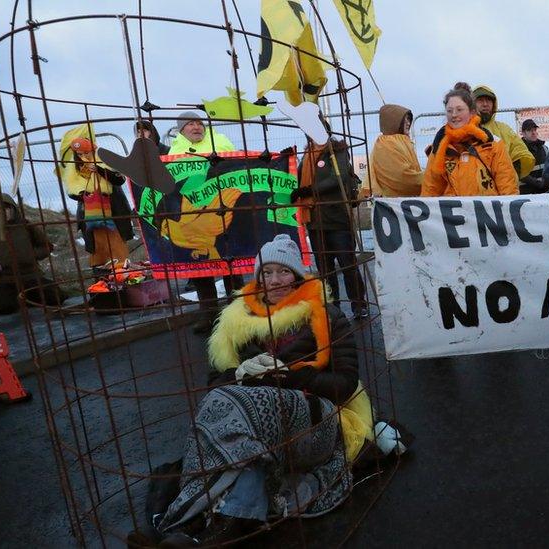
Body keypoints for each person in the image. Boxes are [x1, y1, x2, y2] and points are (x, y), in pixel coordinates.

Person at [157, 234, 361, 546]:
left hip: (317, 422)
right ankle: (220, 520)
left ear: (297, 275)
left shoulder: (326, 315)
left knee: (258, 404)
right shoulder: (236, 320)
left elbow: (345, 386)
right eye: (267, 272)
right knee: (224, 403)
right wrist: (238, 373)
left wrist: (289, 376)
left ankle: (209, 518)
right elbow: (215, 387)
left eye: (284, 271)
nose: (275, 281)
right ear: (258, 276)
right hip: (256, 427)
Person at [165, 111, 242, 333]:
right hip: (192, 215)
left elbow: (237, 165)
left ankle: (238, 312)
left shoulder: (221, 141)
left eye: (199, 123)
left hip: (223, 209)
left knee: (231, 264)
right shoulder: (174, 151)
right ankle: (208, 314)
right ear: (181, 129)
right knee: (200, 270)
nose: (197, 127)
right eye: (191, 124)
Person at [291, 126, 368, 319]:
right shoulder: (306, 155)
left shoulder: (337, 150)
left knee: (347, 264)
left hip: (337, 218)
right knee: (325, 269)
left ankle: (359, 304)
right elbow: (295, 179)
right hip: (315, 221)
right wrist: (287, 161)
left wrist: (310, 190)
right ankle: (333, 308)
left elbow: (339, 177)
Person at [421, 83, 519, 197]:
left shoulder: (492, 144)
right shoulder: (438, 149)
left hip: (487, 214)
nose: (454, 115)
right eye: (449, 110)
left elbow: (508, 187)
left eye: (459, 109)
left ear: (472, 112)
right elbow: (430, 191)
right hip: (453, 214)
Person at [57, 134, 133, 267]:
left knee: (117, 247)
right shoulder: (73, 168)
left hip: (112, 212)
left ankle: (123, 273)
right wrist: (84, 195)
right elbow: (71, 190)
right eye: (79, 154)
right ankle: (101, 277)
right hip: (91, 214)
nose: (83, 156)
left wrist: (98, 169)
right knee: (98, 250)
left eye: (86, 153)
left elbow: (119, 179)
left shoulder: (105, 161)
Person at [0, 193, 63, 314]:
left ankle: (25, 299)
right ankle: (19, 300)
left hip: (31, 276)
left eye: (6, 208)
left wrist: (31, 254)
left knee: (56, 297)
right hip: (3, 280)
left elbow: (46, 246)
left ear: (12, 209)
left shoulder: (25, 225)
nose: (1, 212)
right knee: (4, 308)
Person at [471, 84, 536, 179]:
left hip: (503, 190)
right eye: (480, 100)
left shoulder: (505, 129)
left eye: (488, 100)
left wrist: (510, 178)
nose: (485, 104)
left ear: (494, 104)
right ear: (471, 104)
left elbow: (521, 154)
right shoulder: (463, 131)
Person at [370, 104, 423, 197]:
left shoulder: (401, 140)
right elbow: (401, 177)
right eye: (404, 119)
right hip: (393, 202)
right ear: (394, 121)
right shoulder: (387, 143)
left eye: (409, 119)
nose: (408, 123)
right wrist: (429, 177)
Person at [167, 111, 235, 155]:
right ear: (182, 131)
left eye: (200, 124)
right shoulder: (175, 150)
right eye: (191, 124)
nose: (196, 127)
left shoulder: (220, 140)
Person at [519, 119, 549, 194]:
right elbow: (521, 173)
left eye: (535, 129)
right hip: (527, 194)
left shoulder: (544, 148)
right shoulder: (519, 150)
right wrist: (539, 184)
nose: (533, 133)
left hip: (545, 192)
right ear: (523, 133)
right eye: (529, 130)